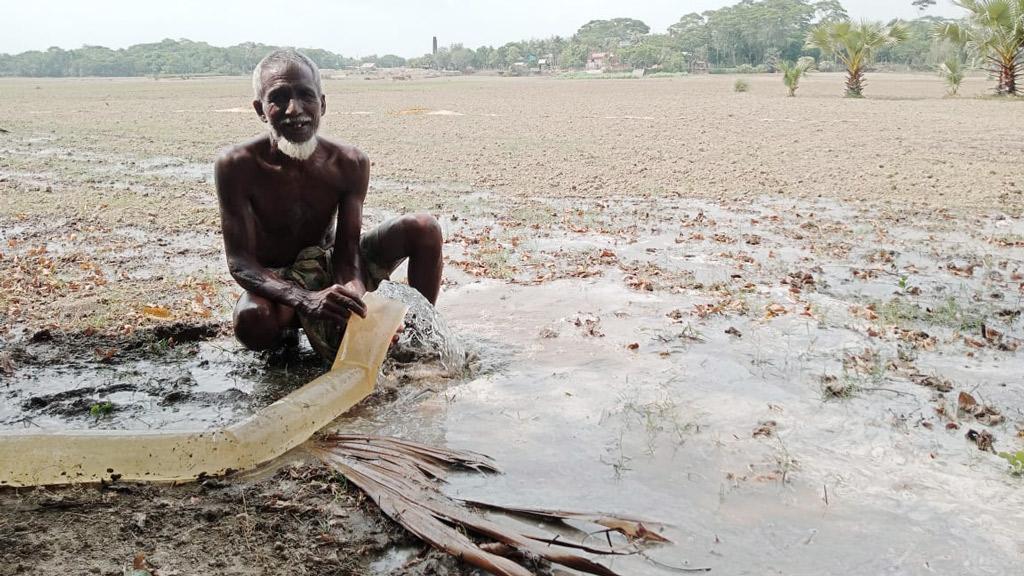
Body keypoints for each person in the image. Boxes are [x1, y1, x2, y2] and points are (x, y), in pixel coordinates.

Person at [214, 49, 442, 361]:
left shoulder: (349, 162)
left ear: (322, 103)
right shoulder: (236, 166)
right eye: (279, 97)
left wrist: (360, 306)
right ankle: (285, 340)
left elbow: (348, 256)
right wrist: (304, 299)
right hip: (281, 279)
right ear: (260, 109)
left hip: (333, 262)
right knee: (253, 321)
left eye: (306, 96)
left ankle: (418, 333)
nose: (295, 109)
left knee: (424, 227)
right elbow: (240, 262)